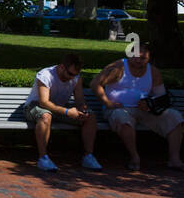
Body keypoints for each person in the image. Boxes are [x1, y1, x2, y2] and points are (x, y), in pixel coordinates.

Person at [92, 40, 184, 170]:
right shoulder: (119, 67)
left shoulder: (153, 72)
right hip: (118, 108)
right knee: (122, 118)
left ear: (149, 57)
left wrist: (149, 104)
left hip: (144, 110)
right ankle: (134, 157)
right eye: (135, 56)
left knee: (175, 117)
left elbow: (160, 97)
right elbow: (95, 83)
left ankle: (174, 159)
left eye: (143, 58)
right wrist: (108, 103)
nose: (138, 60)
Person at [24, 52, 101, 171]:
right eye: (70, 73)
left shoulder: (76, 77)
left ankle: (88, 156)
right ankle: (43, 158)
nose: (71, 77)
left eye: (75, 74)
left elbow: (79, 100)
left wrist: (82, 109)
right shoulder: (45, 75)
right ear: (61, 67)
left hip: (60, 108)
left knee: (90, 117)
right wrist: (67, 112)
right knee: (45, 116)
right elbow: (43, 102)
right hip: (35, 106)